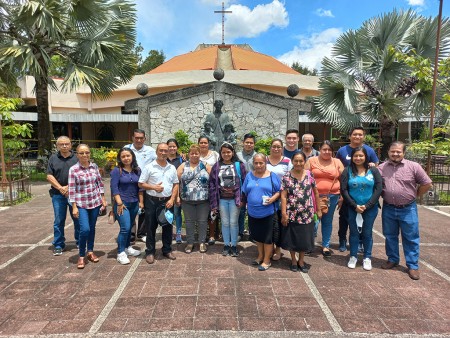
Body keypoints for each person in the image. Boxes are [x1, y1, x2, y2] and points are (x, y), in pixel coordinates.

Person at [379, 141, 432, 280]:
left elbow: (427, 183)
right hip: (389, 208)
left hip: (408, 208)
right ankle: (392, 259)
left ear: (404, 153)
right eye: (393, 151)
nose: (395, 154)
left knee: (411, 237)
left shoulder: (414, 166)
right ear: (388, 152)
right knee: (390, 235)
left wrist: (415, 195)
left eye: (398, 152)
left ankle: (413, 266)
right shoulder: (382, 168)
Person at [336, 127, 379, 252]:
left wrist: (372, 165)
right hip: (346, 189)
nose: (357, 137)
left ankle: (360, 241)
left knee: (361, 219)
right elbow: (337, 167)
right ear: (350, 136)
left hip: (363, 192)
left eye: (360, 135)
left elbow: (375, 167)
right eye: (355, 134)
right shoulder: (342, 150)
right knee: (344, 217)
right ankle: (342, 240)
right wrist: (341, 194)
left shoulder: (369, 150)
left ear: (363, 136)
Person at [340, 147, 382, 271]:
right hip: (352, 207)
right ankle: (353, 256)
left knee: (367, 233)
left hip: (370, 208)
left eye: (361, 156)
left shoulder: (373, 170)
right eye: (356, 156)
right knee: (353, 232)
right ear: (352, 157)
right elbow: (343, 189)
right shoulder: (347, 171)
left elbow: (378, 188)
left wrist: (368, 205)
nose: (358, 158)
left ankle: (367, 257)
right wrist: (354, 206)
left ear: (366, 157)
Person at [138, 143, 179, 264]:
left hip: (167, 202)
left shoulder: (171, 167)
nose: (163, 153)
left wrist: (172, 199)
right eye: (161, 150)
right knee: (150, 227)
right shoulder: (149, 167)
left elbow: (176, 184)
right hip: (152, 201)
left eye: (165, 151)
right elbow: (141, 183)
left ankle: (167, 249)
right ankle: (150, 252)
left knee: (167, 226)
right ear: (156, 152)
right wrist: (153, 187)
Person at [280, 152, 320, 273]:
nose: (298, 163)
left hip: (307, 214)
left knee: (304, 239)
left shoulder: (309, 175)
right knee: (292, 238)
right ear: (292, 161)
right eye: (296, 161)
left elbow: (316, 193)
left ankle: (301, 260)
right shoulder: (286, 176)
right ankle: (293, 260)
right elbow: (283, 196)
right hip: (292, 214)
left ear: (304, 161)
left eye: (301, 161)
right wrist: (284, 213)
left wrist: (318, 209)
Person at [68, 144, 107, 269]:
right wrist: (74, 206)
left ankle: (90, 251)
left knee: (92, 228)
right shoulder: (73, 169)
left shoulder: (94, 167)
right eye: (81, 153)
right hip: (81, 203)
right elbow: (72, 189)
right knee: (84, 229)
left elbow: (99, 183)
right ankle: (81, 255)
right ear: (77, 155)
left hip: (95, 202)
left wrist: (103, 198)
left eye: (87, 152)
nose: (85, 155)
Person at [305, 141, 344, 257]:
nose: (327, 152)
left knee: (327, 221)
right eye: (324, 149)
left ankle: (326, 246)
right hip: (313, 196)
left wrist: (342, 196)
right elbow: (304, 177)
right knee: (314, 221)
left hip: (331, 196)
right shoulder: (312, 161)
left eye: (329, 150)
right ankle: (309, 244)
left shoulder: (337, 162)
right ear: (319, 149)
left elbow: (344, 179)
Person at [242, 153, 280, 271]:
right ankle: (260, 256)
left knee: (267, 238)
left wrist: (273, 198)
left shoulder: (272, 176)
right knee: (258, 237)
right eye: (256, 163)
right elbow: (245, 191)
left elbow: (280, 191)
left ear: (266, 163)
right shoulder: (249, 175)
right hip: (253, 212)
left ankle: (267, 260)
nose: (258, 165)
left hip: (268, 212)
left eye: (261, 163)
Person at [209, 142, 247, 257]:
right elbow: (212, 183)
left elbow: (245, 183)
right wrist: (214, 202)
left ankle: (234, 246)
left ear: (233, 152)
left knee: (233, 222)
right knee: (225, 223)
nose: (226, 154)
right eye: (223, 152)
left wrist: (243, 200)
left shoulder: (239, 165)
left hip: (235, 199)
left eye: (228, 152)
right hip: (222, 199)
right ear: (221, 153)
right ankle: (226, 245)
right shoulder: (217, 166)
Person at [46, 136, 80, 256]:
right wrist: (61, 188)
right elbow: (49, 176)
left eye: (67, 144)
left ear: (71, 145)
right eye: (61, 144)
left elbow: (81, 174)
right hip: (58, 194)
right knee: (59, 220)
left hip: (75, 194)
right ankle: (59, 244)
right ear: (57, 146)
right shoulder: (53, 158)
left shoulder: (77, 157)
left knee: (77, 218)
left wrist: (69, 187)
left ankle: (80, 242)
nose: (64, 146)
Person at [110, 148, 144, 265]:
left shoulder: (137, 170)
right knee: (125, 228)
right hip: (122, 204)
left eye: (128, 156)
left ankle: (128, 248)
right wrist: (119, 203)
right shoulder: (116, 171)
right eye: (123, 156)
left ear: (132, 157)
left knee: (130, 227)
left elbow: (140, 188)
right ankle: (120, 253)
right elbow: (114, 188)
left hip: (134, 203)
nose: (126, 158)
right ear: (120, 158)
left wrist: (141, 202)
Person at [177, 145, 212, 254]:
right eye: (192, 153)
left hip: (203, 200)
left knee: (202, 222)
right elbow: (176, 182)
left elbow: (213, 182)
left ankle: (202, 242)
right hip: (187, 200)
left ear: (199, 154)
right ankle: (190, 243)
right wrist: (177, 196)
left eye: (196, 153)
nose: (194, 155)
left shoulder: (206, 165)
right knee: (189, 222)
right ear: (188, 154)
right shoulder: (183, 165)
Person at [125, 129, 157, 244]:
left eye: (141, 138)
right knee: (132, 208)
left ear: (145, 139)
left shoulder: (150, 151)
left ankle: (142, 233)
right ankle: (131, 234)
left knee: (144, 209)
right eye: (136, 138)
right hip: (130, 185)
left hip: (145, 185)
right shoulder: (127, 149)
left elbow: (157, 162)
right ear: (132, 138)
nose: (139, 140)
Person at [266, 138, 293, 261]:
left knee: (280, 224)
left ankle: (278, 248)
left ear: (282, 148)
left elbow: (290, 179)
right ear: (270, 147)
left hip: (282, 197)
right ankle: (268, 247)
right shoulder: (265, 160)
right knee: (268, 224)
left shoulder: (287, 161)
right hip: (266, 197)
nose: (276, 149)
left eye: (278, 146)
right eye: (274, 146)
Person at [198, 136, 220, 244]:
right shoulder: (195, 154)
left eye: (205, 142)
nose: (203, 144)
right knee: (201, 213)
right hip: (198, 188)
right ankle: (202, 234)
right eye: (201, 142)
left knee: (212, 211)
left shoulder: (215, 155)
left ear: (208, 144)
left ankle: (212, 235)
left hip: (212, 187)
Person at [236, 133, 257, 240]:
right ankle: (240, 232)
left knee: (253, 211)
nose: (249, 144)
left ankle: (252, 233)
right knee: (241, 210)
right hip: (240, 187)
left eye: (251, 143)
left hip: (254, 187)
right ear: (243, 143)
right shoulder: (237, 155)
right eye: (247, 142)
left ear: (254, 144)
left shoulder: (257, 156)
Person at [167, 138, 184, 244]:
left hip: (178, 191)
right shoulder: (163, 159)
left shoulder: (181, 160)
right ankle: (168, 233)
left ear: (177, 147)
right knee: (168, 213)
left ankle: (178, 233)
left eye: (174, 146)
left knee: (177, 213)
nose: (172, 148)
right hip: (166, 191)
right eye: (170, 146)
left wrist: (178, 195)